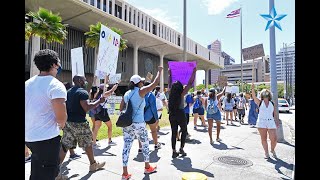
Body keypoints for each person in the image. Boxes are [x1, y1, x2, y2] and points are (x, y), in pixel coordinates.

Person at [25, 49, 68, 180]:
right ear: (54, 64)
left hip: (29, 136)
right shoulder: (56, 85)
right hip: (46, 138)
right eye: (58, 62)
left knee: (37, 171)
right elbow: (61, 118)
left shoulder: (28, 83)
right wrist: (61, 125)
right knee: (46, 174)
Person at [58, 75, 106, 178]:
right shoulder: (82, 92)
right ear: (80, 81)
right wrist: (99, 101)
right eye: (84, 80)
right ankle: (93, 164)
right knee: (88, 143)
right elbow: (87, 108)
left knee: (65, 145)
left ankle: (56, 171)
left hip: (69, 122)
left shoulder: (68, 92)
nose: (86, 81)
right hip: (80, 123)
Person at [119, 67, 162, 180]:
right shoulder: (141, 91)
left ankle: (125, 173)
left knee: (126, 147)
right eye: (142, 81)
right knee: (145, 144)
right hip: (139, 124)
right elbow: (155, 83)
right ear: (138, 83)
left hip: (127, 124)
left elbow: (120, 108)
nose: (143, 83)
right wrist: (159, 71)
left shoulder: (127, 93)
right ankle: (147, 167)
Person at [168, 67, 196, 158]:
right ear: (180, 88)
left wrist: (170, 74)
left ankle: (173, 151)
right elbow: (190, 83)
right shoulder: (182, 94)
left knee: (173, 132)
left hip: (172, 114)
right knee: (184, 130)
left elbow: (169, 83)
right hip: (180, 113)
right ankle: (181, 148)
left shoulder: (170, 93)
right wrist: (193, 72)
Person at [251, 84, 279, 159]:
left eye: (267, 92)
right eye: (264, 92)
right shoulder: (260, 102)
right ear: (262, 95)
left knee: (274, 139)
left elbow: (275, 113)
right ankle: (266, 152)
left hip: (271, 121)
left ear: (269, 95)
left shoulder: (272, 103)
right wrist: (253, 89)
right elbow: (254, 97)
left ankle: (272, 150)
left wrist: (277, 121)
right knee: (264, 138)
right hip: (261, 122)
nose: (265, 93)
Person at [92, 81, 120, 148]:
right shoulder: (104, 94)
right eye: (106, 88)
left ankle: (94, 143)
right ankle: (110, 141)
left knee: (96, 128)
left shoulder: (97, 94)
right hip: (103, 112)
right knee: (110, 126)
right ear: (103, 89)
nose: (107, 89)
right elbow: (113, 90)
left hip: (97, 112)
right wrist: (117, 83)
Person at [138, 81, 161, 152]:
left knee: (140, 132)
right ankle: (156, 145)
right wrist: (156, 118)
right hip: (150, 116)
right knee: (153, 131)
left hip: (140, 116)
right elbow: (153, 108)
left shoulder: (139, 93)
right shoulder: (151, 95)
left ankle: (140, 148)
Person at [63, 82, 82, 160]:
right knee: (68, 138)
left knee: (68, 137)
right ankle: (71, 154)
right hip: (69, 119)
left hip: (66, 118)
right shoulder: (70, 95)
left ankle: (72, 153)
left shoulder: (65, 95)